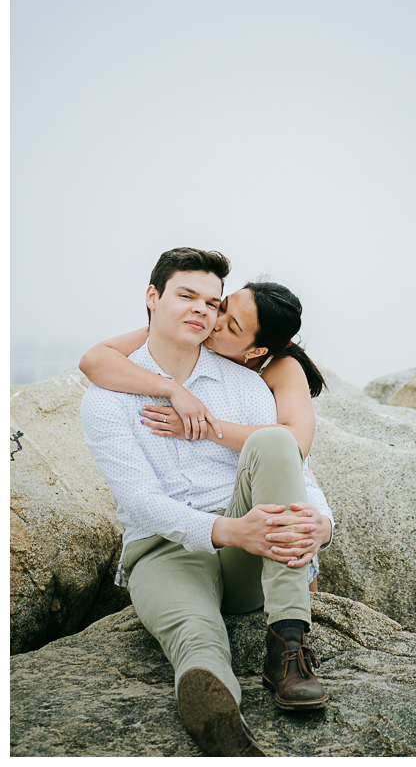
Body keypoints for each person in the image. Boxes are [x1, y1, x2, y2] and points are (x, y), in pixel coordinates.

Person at [80, 248, 334, 757]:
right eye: (187, 296)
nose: (203, 311)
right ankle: (217, 713)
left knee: (276, 440)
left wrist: (322, 524)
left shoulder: (248, 382)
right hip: (163, 551)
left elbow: (296, 466)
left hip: (249, 554)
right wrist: (227, 530)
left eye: (214, 303)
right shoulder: (107, 397)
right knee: (195, 637)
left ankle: (287, 645)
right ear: (153, 298)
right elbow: (137, 500)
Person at [80, 276, 329, 591]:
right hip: (207, 518)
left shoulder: (279, 368)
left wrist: (202, 427)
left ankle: (296, 619)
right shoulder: (193, 333)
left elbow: (295, 446)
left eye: (231, 327)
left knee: (291, 522)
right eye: (220, 308)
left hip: (267, 487)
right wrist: (172, 389)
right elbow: (94, 360)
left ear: (257, 349)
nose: (214, 322)